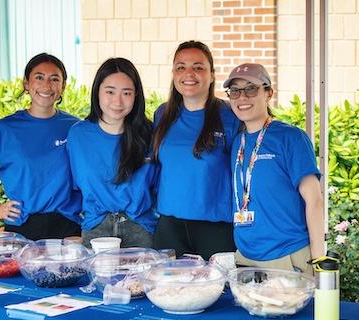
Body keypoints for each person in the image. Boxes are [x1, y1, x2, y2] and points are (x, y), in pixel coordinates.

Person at [0, 53, 81, 241]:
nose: (46, 85)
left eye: (54, 79)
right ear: (26, 83)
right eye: (39, 77)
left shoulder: (75, 128)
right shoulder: (6, 129)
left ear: (63, 86)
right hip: (22, 227)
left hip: (68, 226)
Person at [224, 63, 324, 274]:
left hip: (288, 257)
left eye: (251, 88)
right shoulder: (237, 143)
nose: (242, 97)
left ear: (269, 93)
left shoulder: (291, 137)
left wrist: (319, 259)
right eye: (235, 91)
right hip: (246, 258)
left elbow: (314, 200)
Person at [152, 41, 241, 260]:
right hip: (169, 228)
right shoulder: (162, 114)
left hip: (216, 229)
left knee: (220, 293)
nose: (189, 73)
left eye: (198, 67)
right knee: (170, 292)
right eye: (181, 67)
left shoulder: (231, 116)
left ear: (211, 75)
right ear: (173, 74)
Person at [66, 58, 157, 248]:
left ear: (136, 95)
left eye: (126, 93)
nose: (118, 101)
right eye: (110, 92)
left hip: (141, 228)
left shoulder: (151, 134)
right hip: (96, 228)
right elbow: (73, 185)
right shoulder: (79, 135)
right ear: (97, 91)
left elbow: (159, 186)